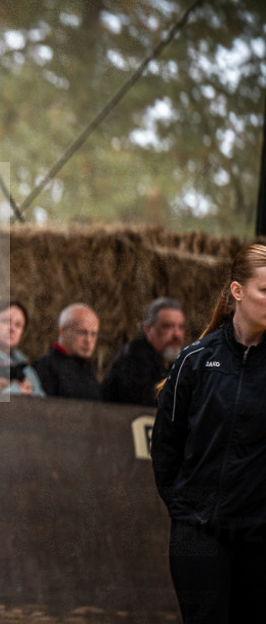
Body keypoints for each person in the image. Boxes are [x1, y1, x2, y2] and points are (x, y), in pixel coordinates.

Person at [152, 243, 266, 622]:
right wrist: (186, 510)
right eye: (264, 290)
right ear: (237, 291)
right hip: (199, 535)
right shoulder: (196, 360)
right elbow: (167, 444)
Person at [101, 297, 185, 406]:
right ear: (148, 328)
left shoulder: (175, 362)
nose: (177, 335)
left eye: (181, 327)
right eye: (168, 326)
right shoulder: (133, 362)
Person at [32, 302, 101, 400]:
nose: (88, 340)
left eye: (93, 334)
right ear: (62, 331)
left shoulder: (88, 372)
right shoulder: (45, 368)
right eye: (82, 332)